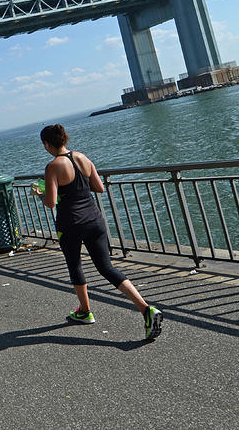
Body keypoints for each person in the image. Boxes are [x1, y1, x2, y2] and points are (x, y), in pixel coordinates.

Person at [34, 124, 162, 341]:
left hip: (70, 224)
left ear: (47, 144)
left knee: (75, 265)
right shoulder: (83, 158)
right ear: (64, 139)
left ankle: (85, 311)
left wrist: (40, 193)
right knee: (106, 267)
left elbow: (50, 202)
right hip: (94, 219)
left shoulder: (53, 166)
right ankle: (146, 309)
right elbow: (99, 187)